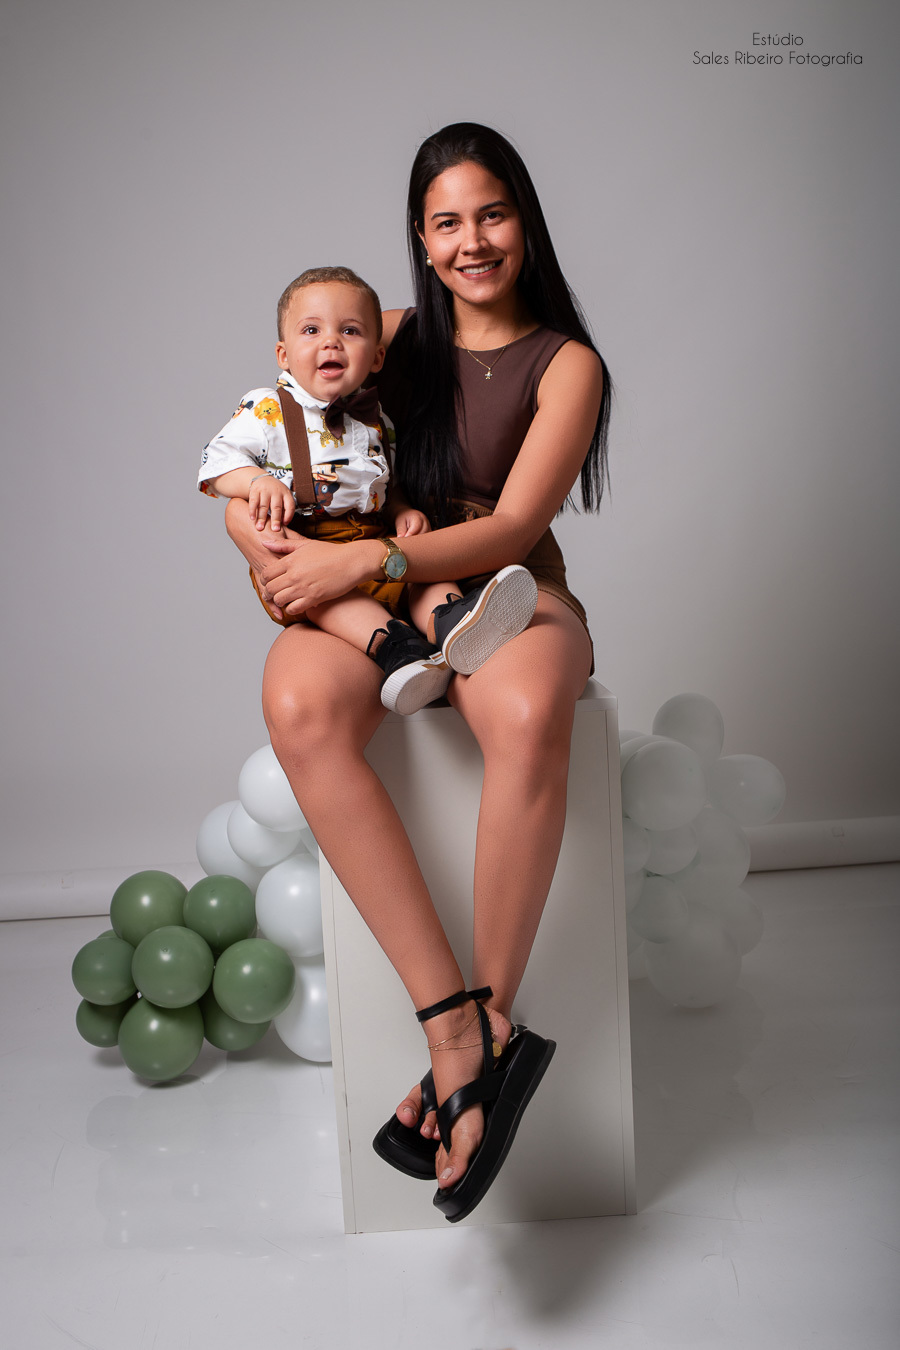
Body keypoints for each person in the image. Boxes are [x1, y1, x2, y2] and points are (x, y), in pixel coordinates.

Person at [224, 124, 611, 1222]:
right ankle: (451, 1023)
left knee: (524, 710)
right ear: (421, 238)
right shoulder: (382, 335)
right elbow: (266, 446)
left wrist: (369, 563)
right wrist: (264, 542)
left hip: (505, 581)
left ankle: (491, 1022)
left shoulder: (567, 364)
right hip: (374, 585)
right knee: (298, 703)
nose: (471, 241)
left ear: (524, 220)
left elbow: (519, 523)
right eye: (447, 222)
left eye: (492, 214)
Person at [199, 265, 538, 715]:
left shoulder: (378, 420)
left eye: (350, 330)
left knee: (420, 564)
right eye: (311, 330)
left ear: (377, 358)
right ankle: (397, 650)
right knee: (328, 599)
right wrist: (255, 480)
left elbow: (383, 484)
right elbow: (216, 463)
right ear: (283, 354)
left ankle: (454, 622)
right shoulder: (267, 408)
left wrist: (400, 510)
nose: (331, 342)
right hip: (309, 546)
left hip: (372, 538)